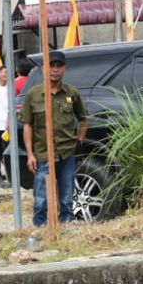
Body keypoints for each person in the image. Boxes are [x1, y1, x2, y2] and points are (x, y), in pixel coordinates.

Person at [21, 50, 88, 226]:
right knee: (41, 197)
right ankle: (40, 226)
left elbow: (83, 119)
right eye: (51, 66)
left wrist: (79, 142)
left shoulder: (72, 93)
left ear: (64, 69)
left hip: (67, 153)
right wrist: (30, 154)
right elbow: (27, 125)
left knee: (67, 195)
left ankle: (67, 223)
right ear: (44, 68)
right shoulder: (33, 94)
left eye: (59, 66)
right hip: (43, 154)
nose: (55, 70)